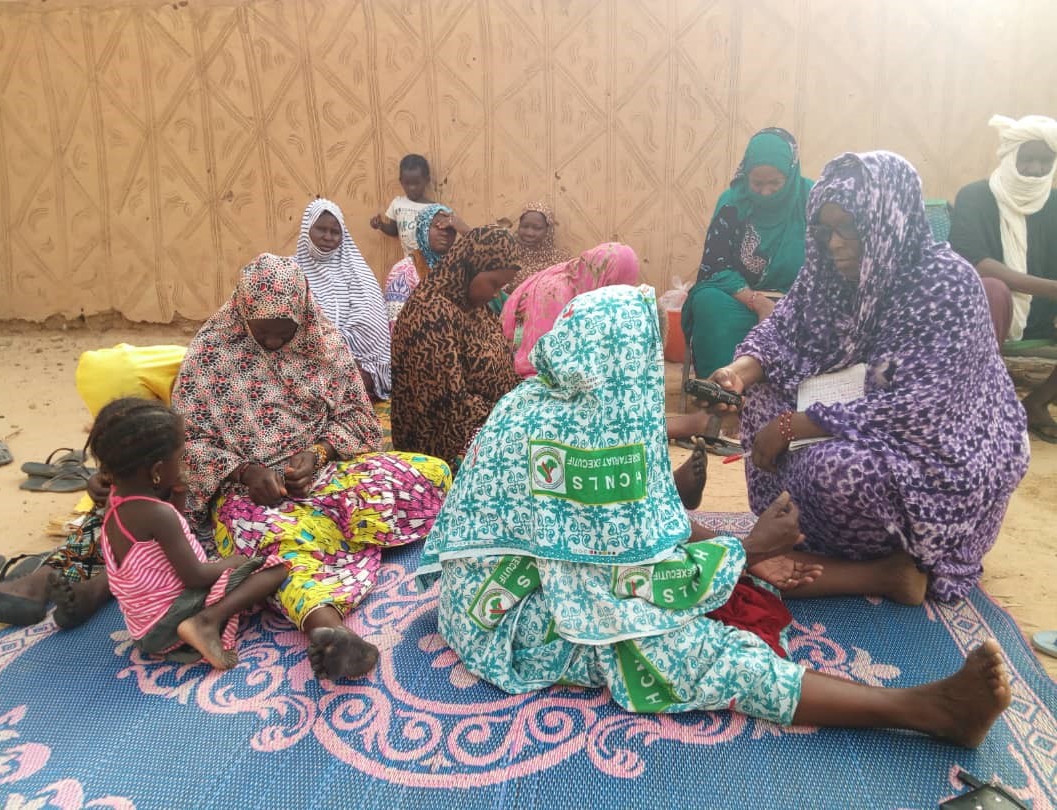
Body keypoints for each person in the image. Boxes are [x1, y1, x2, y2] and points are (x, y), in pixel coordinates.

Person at [415, 284, 1010, 749]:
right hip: (508, 609)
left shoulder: (580, 400)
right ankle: (922, 712)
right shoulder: (561, 433)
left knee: (710, 562)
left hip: (566, 558)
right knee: (685, 648)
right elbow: (610, 576)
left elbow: (627, 527)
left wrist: (725, 544)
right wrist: (744, 551)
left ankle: (881, 578)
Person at [710, 151, 1028, 602]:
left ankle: (889, 568)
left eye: (849, 229)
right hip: (851, 412)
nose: (834, 243)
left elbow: (921, 409)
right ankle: (803, 538)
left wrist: (791, 426)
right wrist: (737, 374)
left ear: (888, 222)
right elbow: (782, 334)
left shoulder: (946, 285)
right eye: (824, 230)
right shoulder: (831, 273)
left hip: (938, 451)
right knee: (763, 396)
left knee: (837, 471)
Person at [172, 253, 451, 681]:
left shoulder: (323, 340)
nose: (272, 345)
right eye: (260, 335)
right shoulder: (211, 353)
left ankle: (328, 536)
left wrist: (318, 453)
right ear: (242, 316)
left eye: (284, 335)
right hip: (247, 497)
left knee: (432, 474)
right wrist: (244, 472)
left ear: (303, 314)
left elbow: (360, 420)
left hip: (324, 477)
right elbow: (187, 444)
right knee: (275, 555)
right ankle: (330, 631)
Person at [0, 343, 189, 629]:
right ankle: (40, 582)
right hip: (160, 487)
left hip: (193, 503)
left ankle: (95, 588)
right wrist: (108, 478)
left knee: (151, 528)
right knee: (114, 514)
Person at [89, 398, 287, 669]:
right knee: (274, 568)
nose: (182, 465)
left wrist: (179, 498)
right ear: (157, 471)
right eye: (179, 458)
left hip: (143, 630)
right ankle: (207, 622)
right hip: (169, 624)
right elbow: (195, 577)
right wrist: (237, 561)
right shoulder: (158, 515)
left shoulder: (117, 500)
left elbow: (165, 544)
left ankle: (201, 620)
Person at [948, 114, 1057, 442]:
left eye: (1045, 161)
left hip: (1041, 314)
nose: (1037, 170)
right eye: (1028, 160)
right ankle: (979, 408)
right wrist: (1052, 289)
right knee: (993, 289)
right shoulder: (975, 196)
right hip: (983, 312)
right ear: (1010, 158)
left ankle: (1036, 404)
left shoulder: (1053, 205)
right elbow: (975, 264)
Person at [682, 128, 814, 377]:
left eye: (774, 183)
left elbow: (828, 264)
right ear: (746, 176)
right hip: (740, 297)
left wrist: (785, 306)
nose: (765, 192)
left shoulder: (811, 199)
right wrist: (758, 303)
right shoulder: (732, 202)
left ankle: (784, 401)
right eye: (757, 183)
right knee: (708, 302)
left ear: (791, 172)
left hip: (797, 300)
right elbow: (714, 267)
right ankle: (722, 392)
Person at [391, 227, 522, 467]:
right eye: (493, 283)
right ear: (470, 267)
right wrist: (511, 414)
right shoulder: (431, 314)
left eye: (502, 287)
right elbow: (448, 407)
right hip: (439, 449)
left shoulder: (475, 308)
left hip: (487, 422)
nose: (496, 294)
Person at [296, 198, 391, 399]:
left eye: (335, 231)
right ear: (307, 230)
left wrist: (340, 352)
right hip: (306, 360)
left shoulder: (357, 272)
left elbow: (370, 325)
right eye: (321, 229)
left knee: (348, 380)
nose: (328, 236)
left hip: (356, 361)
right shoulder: (292, 271)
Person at [501, 243, 640, 378]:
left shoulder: (583, 275)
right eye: (617, 285)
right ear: (607, 278)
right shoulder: (556, 294)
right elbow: (545, 356)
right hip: (521, 358)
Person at [383, 204, 464, 330]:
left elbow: (492, 258)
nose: (444, 232)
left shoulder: (457, 269)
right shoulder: (404, 271)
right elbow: (395, 325)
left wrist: (463, 228)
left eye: (450, 228)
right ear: (423, 228)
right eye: (438, 226)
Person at [370, 154, 436, 255]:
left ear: (427, 180)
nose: (412, 188)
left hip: (430, 263)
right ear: (401, 182)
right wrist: (381, 225)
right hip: (408, 264)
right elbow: (394, 231)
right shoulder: (397, 204)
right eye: (407, 183)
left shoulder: (433, 209)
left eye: (416, 183)